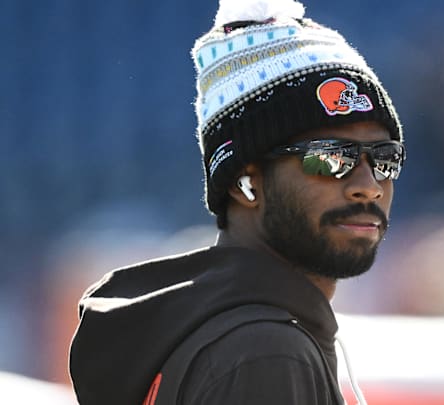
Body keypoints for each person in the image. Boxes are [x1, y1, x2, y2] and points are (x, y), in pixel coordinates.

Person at [68, 0, 404, 404]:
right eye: (332, 158)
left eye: (386, 159)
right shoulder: (266, 352)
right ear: (244, 180)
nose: (368, 186)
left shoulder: (233, 332)